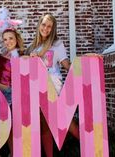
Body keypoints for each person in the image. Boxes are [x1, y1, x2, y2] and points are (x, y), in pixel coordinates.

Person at [26, 13, 79, 156]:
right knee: (45, 126)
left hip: (53, 88)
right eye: (44, 24)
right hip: (37, 89)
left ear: (52, 29)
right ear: (39, 25)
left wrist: (86, 60)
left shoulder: (57, 44)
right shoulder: (32, 47)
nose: (46, 28)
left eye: (49, 26)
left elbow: (67, 65)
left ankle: (92, 147)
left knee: (65, 123)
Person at [0, 28, 24, 157]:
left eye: (11, 38)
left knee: (8, 127)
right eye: (5, 39)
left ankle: (12, 153)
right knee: (1, 126)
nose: (8, 41)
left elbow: (16, 81)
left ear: (16, 39)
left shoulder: (18, 55)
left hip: (9, 94)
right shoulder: (4, 53)